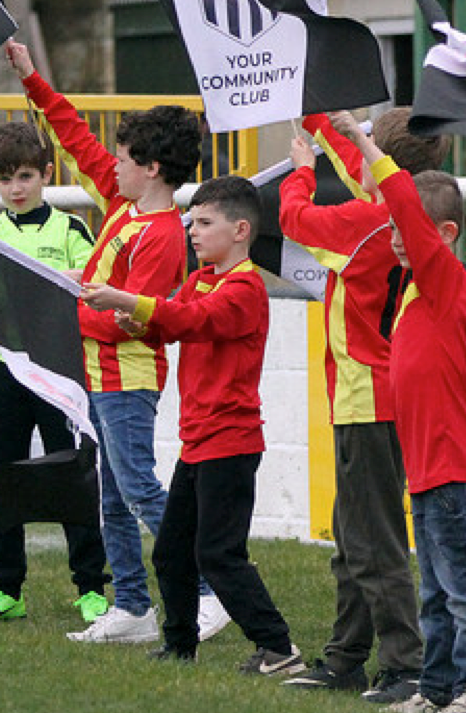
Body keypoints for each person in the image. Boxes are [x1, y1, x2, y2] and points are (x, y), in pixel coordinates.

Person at [4, 39, 229, 644]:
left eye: (125, 157)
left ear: (151, 168)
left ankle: (211, 589)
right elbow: (74, 136)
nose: (113, 163)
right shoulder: (121, 201)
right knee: (110, 495)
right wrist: (31, 78)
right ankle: (131, 606)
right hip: (98, 376)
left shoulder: (159, 234)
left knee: (138, 489)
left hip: (128, 379)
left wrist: (64, 313)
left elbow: (139, 322)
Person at [79, 176, 305, 675]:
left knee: (219, 554)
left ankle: (278, 647)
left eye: (205, 223)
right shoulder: (203, 277)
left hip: (231, 442)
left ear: (241, 230)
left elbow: (192, 321)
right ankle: (180, 645)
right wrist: (134, 319)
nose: (193, 232)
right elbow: (171, 317)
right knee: (171, 553)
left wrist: (122, 300)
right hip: (199, 442)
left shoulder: (244, 288)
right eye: (192, 221)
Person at [328, 113, 466, 713]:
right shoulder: (415, 291)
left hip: (453, 470)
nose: (395, 237)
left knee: (464, 591)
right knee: (434, 594)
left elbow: (396, 190)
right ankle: (437, 690)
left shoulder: (443, 278)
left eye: (408, 229)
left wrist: (360, 137)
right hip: (427, 471)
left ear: (444, 235)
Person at [277, 110, 443, 703]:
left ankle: (405, 665)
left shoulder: (369, 222)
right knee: (354, 540)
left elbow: (295, 218)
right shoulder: (401, 212)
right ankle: (345, 658)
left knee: (374, 544)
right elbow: (357, 164)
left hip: (366, 397)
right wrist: (323, 117)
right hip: (385, 395)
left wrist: (299, 170)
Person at [0, 121, 108, 624]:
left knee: (73, 472)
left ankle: (92, 587)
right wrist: (51, 283)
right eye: (5, 179)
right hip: (2, 366)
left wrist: (56, 283)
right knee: (1, 475)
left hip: (59, 368)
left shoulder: (71, 228)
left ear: (46, 173)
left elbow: (89, 285)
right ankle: (7, 588)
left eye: (25, 176)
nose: (16, 188)